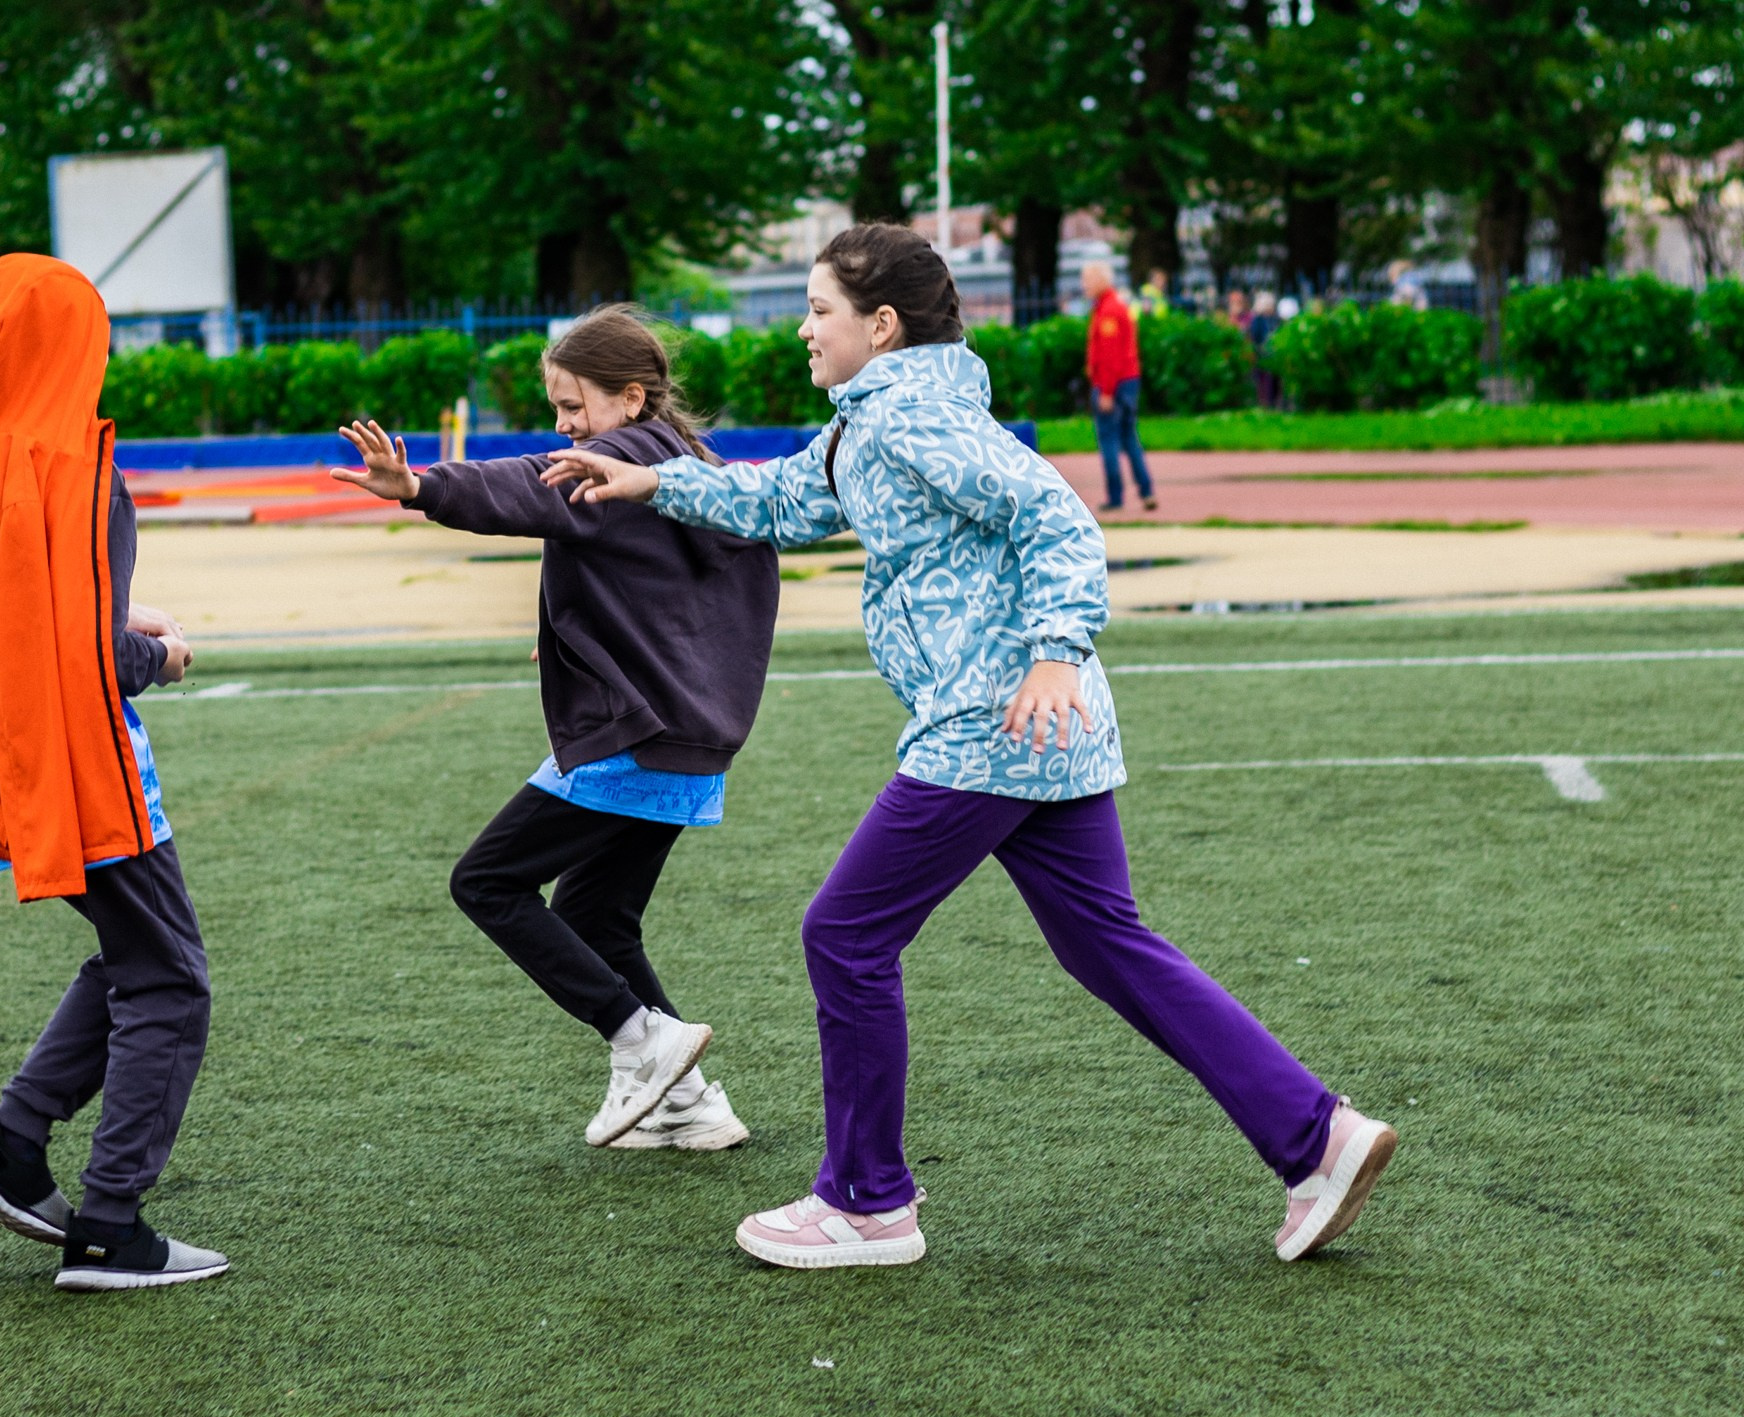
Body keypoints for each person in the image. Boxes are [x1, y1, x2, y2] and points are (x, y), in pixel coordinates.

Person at [541, 223, 1397, 1271]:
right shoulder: (884, 421)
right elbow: (781, 500)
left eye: (820, 310)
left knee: (844, 936)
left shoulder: (910, 425)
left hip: (991, 725)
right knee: (1108, 944)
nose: (804, 329)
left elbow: (1061, 520)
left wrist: (1052, 651)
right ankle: (1320, 1138)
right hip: (1045, 732)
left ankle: (866, 1203)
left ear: (882, 324)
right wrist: (652, 485)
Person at [330, 305, 780, 1151]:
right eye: (559, 409)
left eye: (576, 407)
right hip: (688, 738)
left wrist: (422, 486)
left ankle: (641, 1039)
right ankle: (692, 1105)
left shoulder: (613, 462)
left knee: (487, 881)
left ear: (632, 398)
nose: (566, 427)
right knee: (597, 915)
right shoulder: (691, 466)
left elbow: (526, 484)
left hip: (635, 737)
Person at [0, 253, 227, 1292]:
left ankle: (11, 1143)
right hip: (80, 760)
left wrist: (111, 624)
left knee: (131, 953)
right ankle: (110, 1223)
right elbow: (83, 659)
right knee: (171, 977)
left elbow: (14, 612)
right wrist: (152, 656)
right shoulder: (74, 469)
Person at [1082, 260, 1155, 513]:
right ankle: (1146, 490)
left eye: (1088, 280)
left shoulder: (1109, 311)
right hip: (1128, 381)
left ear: (1102, 280)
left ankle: (1115, 496)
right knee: (1129, 438)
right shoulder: (1111, 307)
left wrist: (1106, 391)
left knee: (1110, 440)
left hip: (1114, 384)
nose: (1084, 286)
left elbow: (1110, 357)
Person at [1249, 291, 1282, 408]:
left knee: (1276, 380)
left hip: (1275, 354)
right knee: (1263, 380)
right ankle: (1265, 403)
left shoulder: (1275, 319)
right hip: (1262, 354)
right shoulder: (1257, 320)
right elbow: (1255, 337)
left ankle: (1274, 402)